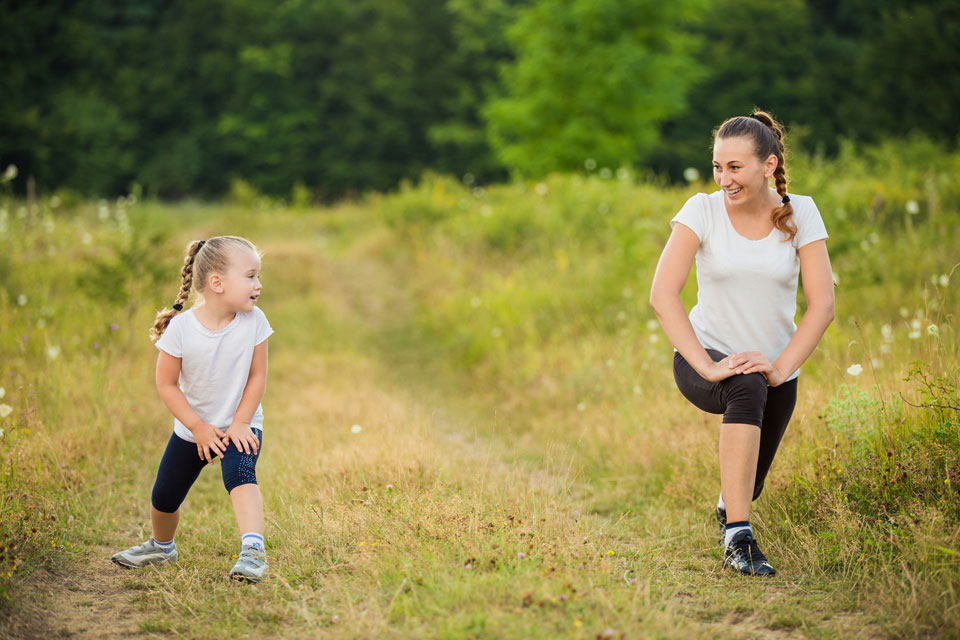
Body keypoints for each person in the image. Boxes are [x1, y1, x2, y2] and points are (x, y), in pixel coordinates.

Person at [649, 111, 834, 576]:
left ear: (768, 165)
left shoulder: (801, 212)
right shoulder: (702, 210)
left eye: (735, 167)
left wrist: (779, 368)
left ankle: (730, 509)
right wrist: (710, 367)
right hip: (704, 358)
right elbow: (662, 294)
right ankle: (739, 539)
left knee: (748, 483)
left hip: (777, 368)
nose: (723, 179)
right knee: (745, 385)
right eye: (717, 166)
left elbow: (823, 305)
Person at [111, 236, 273, 583]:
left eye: (258, 276)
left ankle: (253, 552)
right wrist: (198, 427)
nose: (258, 285)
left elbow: (258, 376)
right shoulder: (181, 329)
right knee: (165, 494)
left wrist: (242, 422)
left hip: (240, 424)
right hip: (191, 427)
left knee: (240, 473)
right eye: (250, 276)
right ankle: (162, 546)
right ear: (216, 283)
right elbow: (167, 385)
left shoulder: (254, 321)